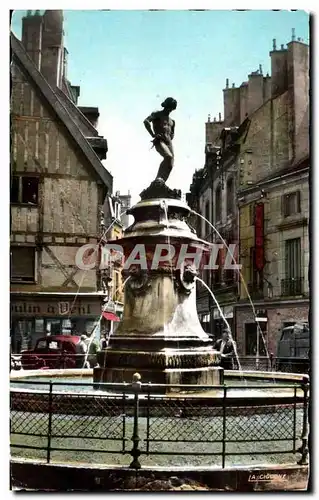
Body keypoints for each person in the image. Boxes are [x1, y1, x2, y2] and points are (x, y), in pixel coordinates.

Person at [143, 97, 177, 183]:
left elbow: (172, 134)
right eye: (169, 108)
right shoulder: (157, 114)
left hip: (168, 142)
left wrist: (169, 136)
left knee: (171, 163)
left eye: (171, 109)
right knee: (168, 157)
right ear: (165, 106)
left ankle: (162, 182)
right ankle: (158, 180)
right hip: (159, 141)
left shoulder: (172, 121)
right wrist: (153, 134)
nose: (170, 110)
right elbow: (146, 121)